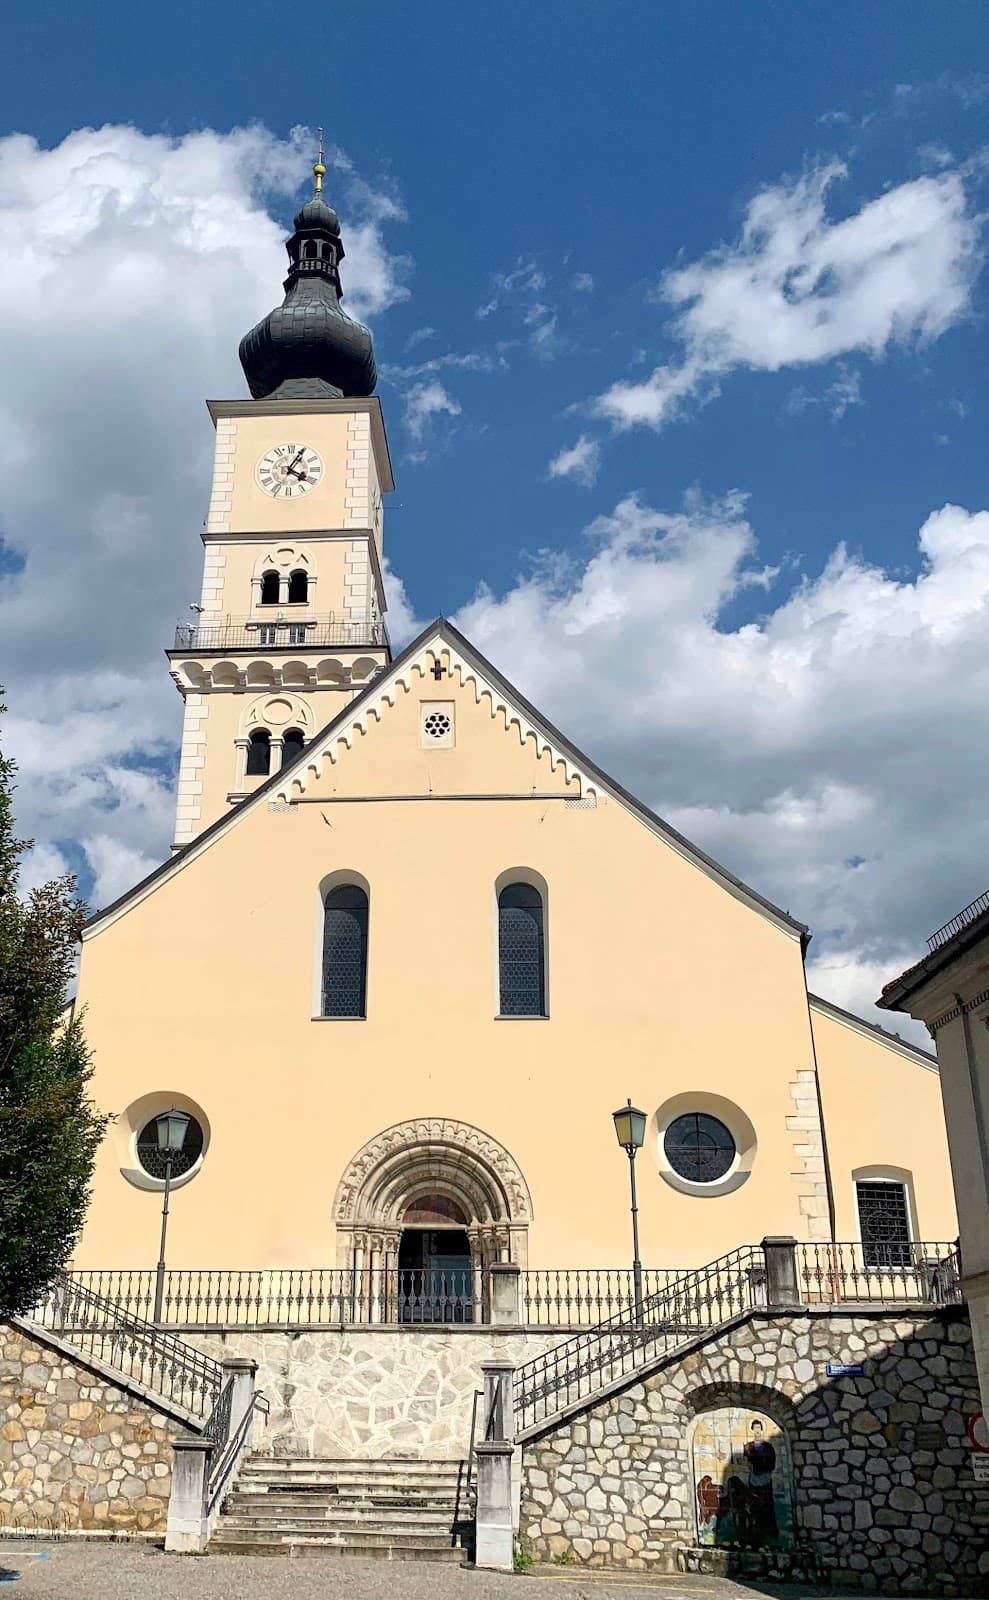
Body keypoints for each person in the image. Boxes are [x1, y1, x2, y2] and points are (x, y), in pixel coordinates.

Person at [742, 1418, 778, 1545]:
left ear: (762, 1430)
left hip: (765, 1480)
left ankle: (770, 1534)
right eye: (755, 1428)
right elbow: (745, 1463)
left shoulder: (768, 1447)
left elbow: (772, 1463)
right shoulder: (748, 1446)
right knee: (754, 1506)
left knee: (767, 1507)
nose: (757, 1431)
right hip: (753, 1480)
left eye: (759, 1428)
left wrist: (761, 1467)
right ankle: (755, 1535)